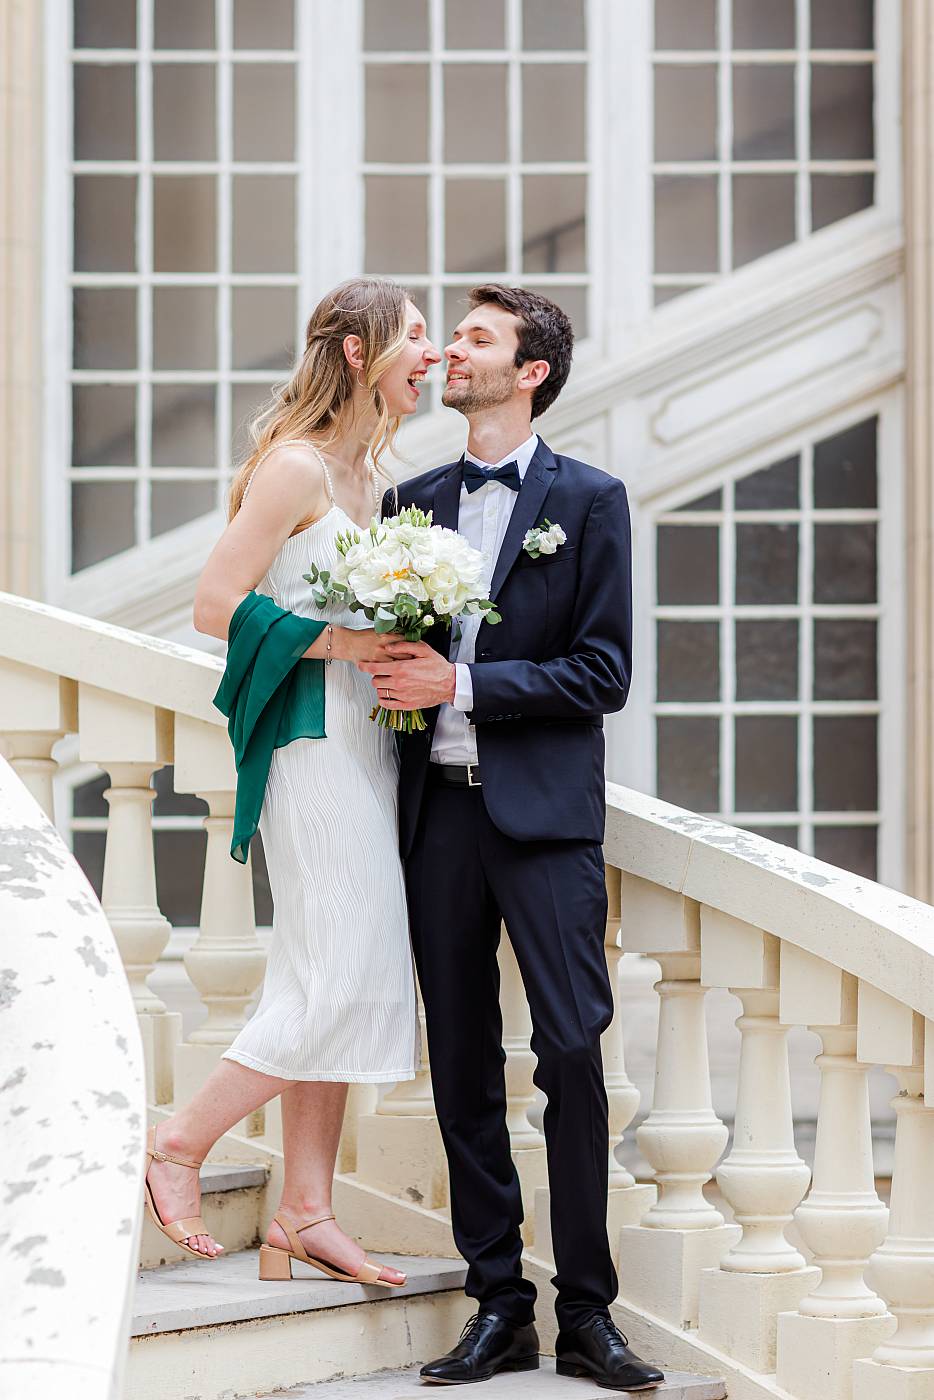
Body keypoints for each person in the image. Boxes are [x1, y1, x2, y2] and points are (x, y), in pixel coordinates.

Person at [360, 285, 665, 1389]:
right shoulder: (411, 498)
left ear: (529, 370)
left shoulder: (589, 500)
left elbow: (603, 670)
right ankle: (501, 1303)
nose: (452, 351)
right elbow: (389, 651)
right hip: (434, 816)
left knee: (573, 1053)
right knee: (460, 1066)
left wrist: (468, 681)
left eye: (477, 339)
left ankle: (588, 1310)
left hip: (542, 822)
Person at [142, 277, 440, 1288]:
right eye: (414, 335)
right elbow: (213, 602)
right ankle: (178, 1141)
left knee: (340, 976)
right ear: (358, 353)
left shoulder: (366, 480)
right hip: (312, 750)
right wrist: (346, 640)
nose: (431, 354)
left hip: (369, 744)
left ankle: (306, 1208)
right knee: (344, 971)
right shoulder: (297, 467)